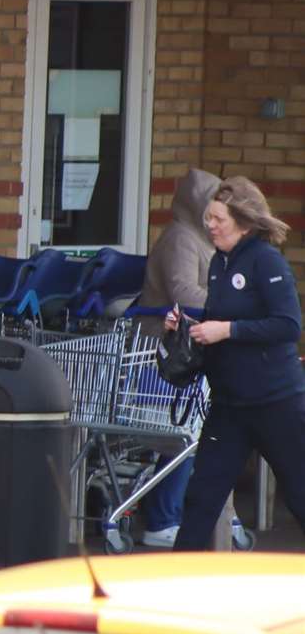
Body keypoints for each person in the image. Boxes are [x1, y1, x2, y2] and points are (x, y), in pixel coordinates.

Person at [165, 176, 305, 550]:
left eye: (218, 220)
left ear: (243, 222)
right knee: (201, 498)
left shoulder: (266, 261)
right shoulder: (218, 263)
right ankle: (176, 582)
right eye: (208, 218)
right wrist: (188, 330)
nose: (209, 225)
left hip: (276, 402)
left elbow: (288, 325)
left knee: (299, 494)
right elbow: (220, 319)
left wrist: (227, 330)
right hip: (229, 405)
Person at [134, 167, 220, 547]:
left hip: (190, 350)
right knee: (183, 434)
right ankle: (163, 517)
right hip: (164, 354)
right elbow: (183, 292)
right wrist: (227, 302)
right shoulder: (182, 239)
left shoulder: (203, 240)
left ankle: (172, 510)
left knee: (190, 433)